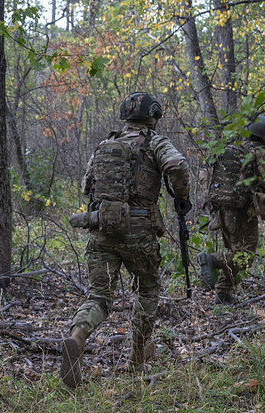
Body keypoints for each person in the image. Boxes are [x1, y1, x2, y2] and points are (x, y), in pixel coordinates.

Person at [62, 92, 191, 388]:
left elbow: (87, 186)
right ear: (153, 116)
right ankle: (137, 357)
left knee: (98, 297)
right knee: (146, 289)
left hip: (101, 230)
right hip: (138, 232)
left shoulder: (106, 145)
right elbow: (178, 166)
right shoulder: (155, 142)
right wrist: (181, 196)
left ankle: (77, 336)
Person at [198, 115, 265, 305]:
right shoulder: (259, 152)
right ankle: (212, 260)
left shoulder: (234, 149)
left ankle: (223, 293)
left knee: (234, 251)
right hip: (243, 211)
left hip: (222, 209)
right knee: (245, 257)